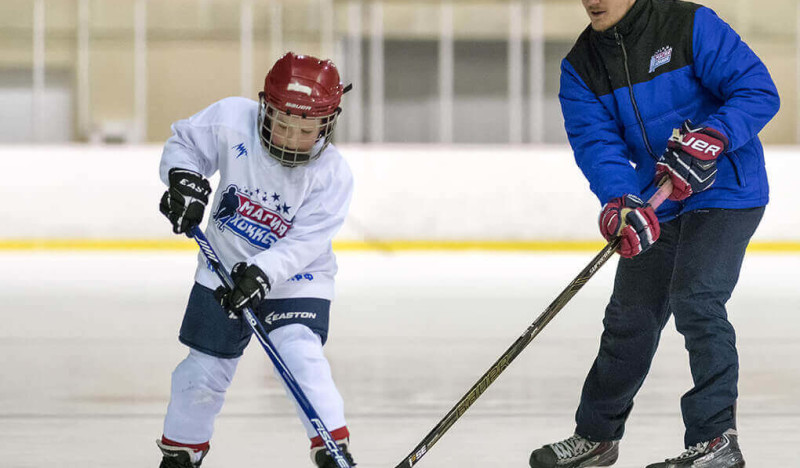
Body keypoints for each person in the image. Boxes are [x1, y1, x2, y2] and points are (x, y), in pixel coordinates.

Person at [529, 1, 779, 467]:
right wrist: (622, 202)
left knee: (696, 298)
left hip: (727, 190)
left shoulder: (688, 24)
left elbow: (757, 89)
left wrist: (713, 138)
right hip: (657, 204)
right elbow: (596, 145)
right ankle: (597, 438)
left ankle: (716, 441)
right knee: (630, 317)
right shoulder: (581, 66)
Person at [156, 52, 356, 468]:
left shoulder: (332, 174)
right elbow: (185, 144)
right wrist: (184, 182)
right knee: (203, 372)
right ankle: (180, 454)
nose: (290, 137)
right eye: (282, 123)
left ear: (327, 123)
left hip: (297, 278)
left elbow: (306, 242)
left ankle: (332, 450)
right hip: (224, 270)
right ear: (265, 107)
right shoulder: (232, 119)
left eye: (305, 129)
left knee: (300, 354)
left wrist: (264, 273)